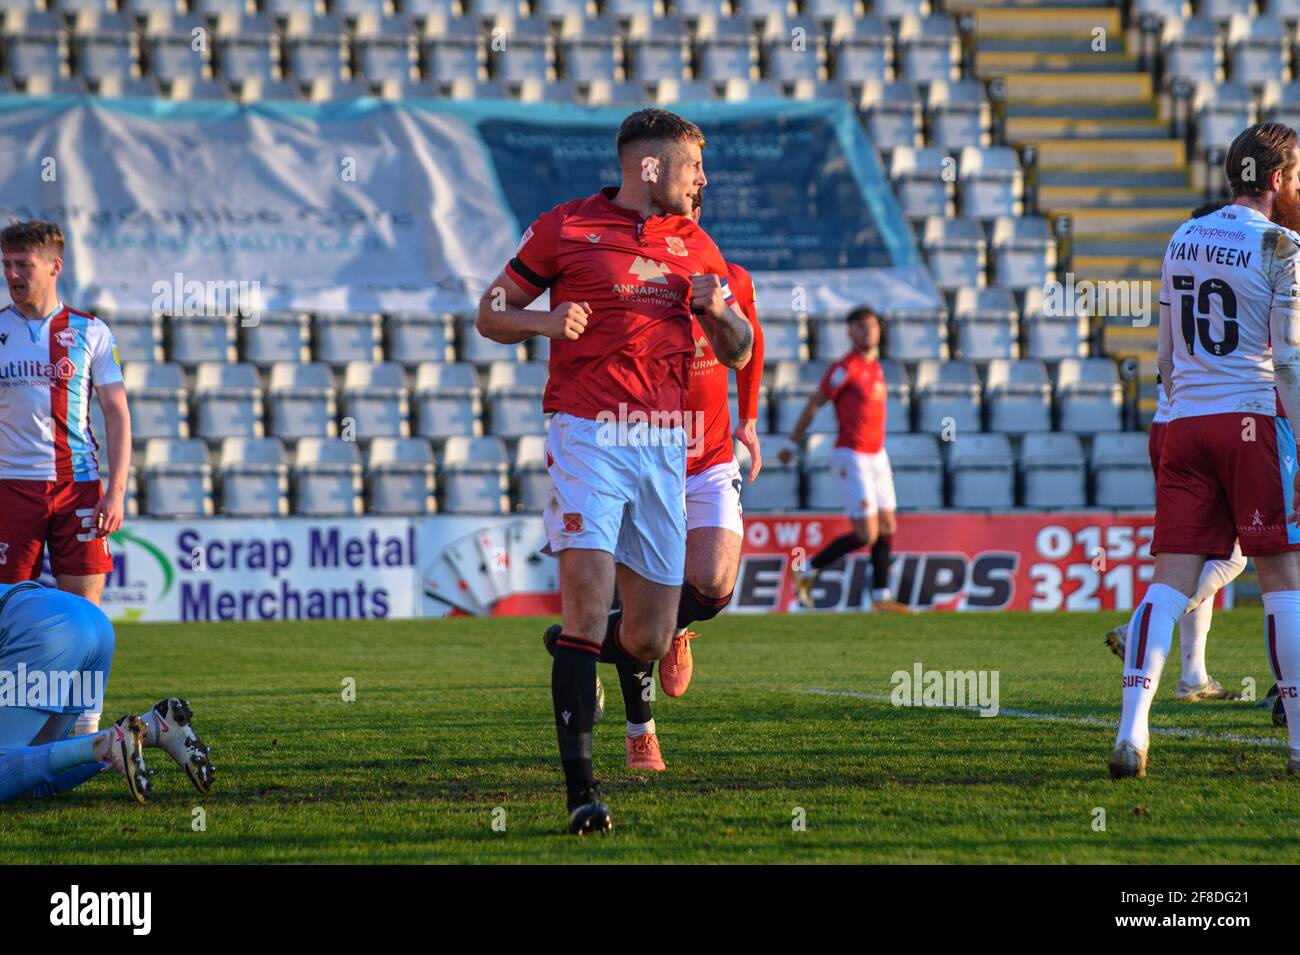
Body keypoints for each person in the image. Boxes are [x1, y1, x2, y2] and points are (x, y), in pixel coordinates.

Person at [476, 109, 753, 833]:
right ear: (650, 168)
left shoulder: (697, 246)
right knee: (586, 608)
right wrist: (544, 321)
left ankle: (603, 659)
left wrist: (720, 317)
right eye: (694, 165)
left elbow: (741, 349)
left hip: (664, 445)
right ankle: (582, 793)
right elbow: (491, 310)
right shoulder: (564, 227)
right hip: (587, 435)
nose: (703, 179)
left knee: (651, 637)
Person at [544, 189, 765, 773]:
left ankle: (605, 642)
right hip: (641, 446)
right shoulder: (632, 275)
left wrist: (750, 418)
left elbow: (750, 342)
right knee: (630, 598)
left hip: (709, 452)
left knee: (714, 586)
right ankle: (640, 730)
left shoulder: (722, 274)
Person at [1110, 122, 1300, 779]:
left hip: (1184, 419)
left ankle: (1133, 732)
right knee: (1283, 582)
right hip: (1251, 420)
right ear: (1277, 179)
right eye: (1297, 175)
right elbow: (1290, 364)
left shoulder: (1183, 236)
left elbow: (1163, 352)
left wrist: (1185, 403)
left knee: (1168, 586)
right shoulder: (1283, 245)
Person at [0, 220, 132, 736]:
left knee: (85, 614)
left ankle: (83, 727)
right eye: (6, 264)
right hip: (10, 486)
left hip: (78, 486)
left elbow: (117, 415)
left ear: (55, 266)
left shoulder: (90, 332)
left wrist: (116, 491)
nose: (12, 274)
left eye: (22, 265)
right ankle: (14, 722)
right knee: (10, 612)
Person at [0, 581, 213, 802]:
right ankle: (154, 728)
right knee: (31, 778)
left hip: (45, 627)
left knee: (6, 767)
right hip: (91, 620)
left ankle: (110, 742)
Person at [780, 306, 912, 612]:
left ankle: (881, 597)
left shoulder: (876, 367)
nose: (869, 331)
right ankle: (808, 567)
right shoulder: (846, 368)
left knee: (888, 524)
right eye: (861, 327)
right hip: (851, 456)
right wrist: (791, 442)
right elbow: (815, 402)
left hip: (877, 454)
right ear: (850, 332)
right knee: (868, 532)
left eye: (873, 326)